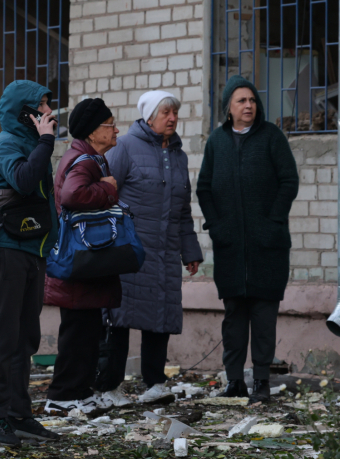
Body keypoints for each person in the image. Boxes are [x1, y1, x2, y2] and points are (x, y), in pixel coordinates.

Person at [195, 75, 299, 405]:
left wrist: (273, 221)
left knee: (264, 315)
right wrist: (216, 226)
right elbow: (204, 188)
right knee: (234, 318)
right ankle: (235, 381)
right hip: (230, 248)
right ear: (228, 108)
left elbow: (289, 181)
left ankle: (262, 382)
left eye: (252, 99)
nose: (248, 105)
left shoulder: (271, 137)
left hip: (267, 247)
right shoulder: (217, 141)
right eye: (241, 100)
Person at [95, 91, 203, 406]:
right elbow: (104, 193)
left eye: (175, 113)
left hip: (165, 252)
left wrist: (190, 250)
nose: (172, 118)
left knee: (161, 315)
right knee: (119, 316)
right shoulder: (125, 146)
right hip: (129, 250)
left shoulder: (179, 156)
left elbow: (183, 210)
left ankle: (154, 383)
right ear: (149, 116)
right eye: (166, 112)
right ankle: (108, 387)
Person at [0, 80, 61, 446]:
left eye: (47, 104)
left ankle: (18, 413)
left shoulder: (31, 142)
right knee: (4, 337)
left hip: (33, 248)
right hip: (8, 249)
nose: (48, 112)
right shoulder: (8, 144)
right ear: (24, 112)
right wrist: (45, 142)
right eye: (41, 106)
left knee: (25, 337)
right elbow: (25, 181)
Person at [43, 98, 122, 414]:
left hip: (87, 259)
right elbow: (72, 194)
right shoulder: (84, 160)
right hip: (78, 259)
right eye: (110, 124)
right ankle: (61, 396)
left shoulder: (91, 157)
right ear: (92, 131)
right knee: (77, 332)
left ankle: (81, 392)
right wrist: (109, 189)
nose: (116, 130)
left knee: (88, 330)